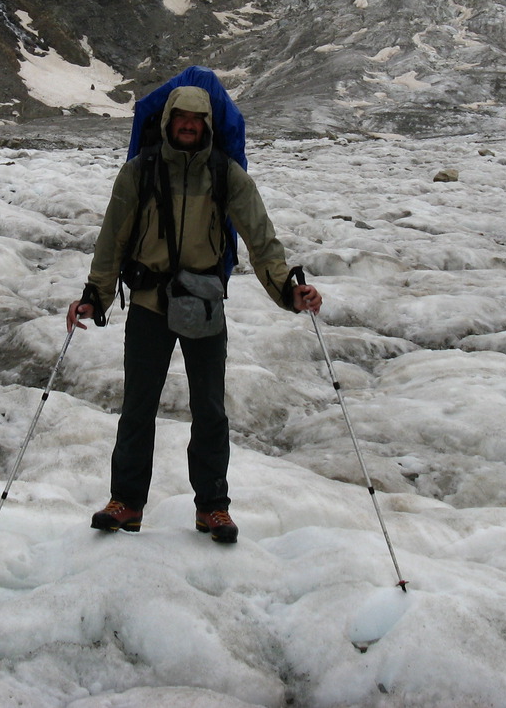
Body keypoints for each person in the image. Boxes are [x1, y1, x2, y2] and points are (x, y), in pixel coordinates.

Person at [66, 84, 321, 543]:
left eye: (197, 118)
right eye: (181, 116)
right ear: (167, 121)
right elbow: (112, 241)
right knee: (138, 407)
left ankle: (213, 508)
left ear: (207, 124)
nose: (188, 124)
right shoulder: (138, 173)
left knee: (209, 410)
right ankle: (125, 502)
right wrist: (94, 295)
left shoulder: (226, 176)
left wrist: (289, 289)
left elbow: (261, 239)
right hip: (147, 302)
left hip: (203, 304)